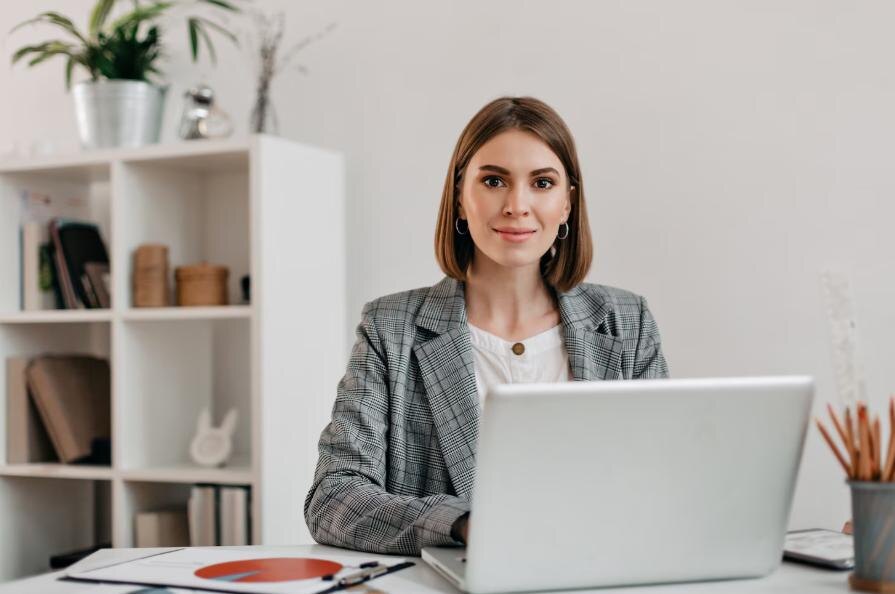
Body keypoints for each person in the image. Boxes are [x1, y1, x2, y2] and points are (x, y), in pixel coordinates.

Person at [304, 96, 670, 556]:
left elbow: (663, 484)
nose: (517, 205)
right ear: (460, 197)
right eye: (494, 181)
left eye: (542, 183)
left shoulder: (626, 323)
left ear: (566, 205)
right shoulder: (390, 328)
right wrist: (463, 524)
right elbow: (333, 499)